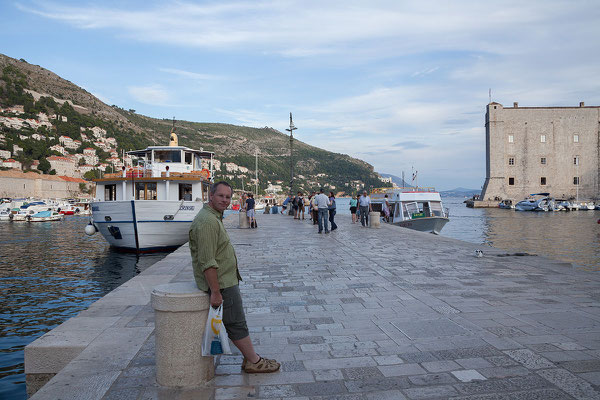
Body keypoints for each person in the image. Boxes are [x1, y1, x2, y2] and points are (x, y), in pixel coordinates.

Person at [189, 181, 280, 373]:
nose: (224, 200)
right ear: (210, 196)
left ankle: (251, 359)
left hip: (225, 280)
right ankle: (253, 361)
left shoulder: (213, 217)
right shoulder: (207, 222)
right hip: (222, 284)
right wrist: (215, 292)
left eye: (228, 197)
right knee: (236, 323)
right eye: (221, 196)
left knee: (237, 321)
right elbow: (207, 261)